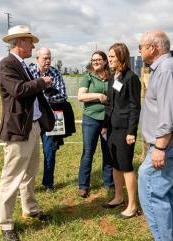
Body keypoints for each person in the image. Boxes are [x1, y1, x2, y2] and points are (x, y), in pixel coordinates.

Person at [0, 25, 55, 241]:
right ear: (19, 42)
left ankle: (30, 209)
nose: (33, 45)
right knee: (11, 177)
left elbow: (30, 90)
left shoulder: (22, 64)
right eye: (30, 41)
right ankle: (6, 224)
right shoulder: (7, 64)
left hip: (32, 126)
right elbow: (19, 90)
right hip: (18, 129)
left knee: (30, 173)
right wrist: (42, 82)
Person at [137, 30, 173, 241]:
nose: (139, 50)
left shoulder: (167, 69)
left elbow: (169, 113)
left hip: (169, 146)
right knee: (171, 194)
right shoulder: (164, 68)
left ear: (152, 48)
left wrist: (160, 147)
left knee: (150, 189)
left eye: (141, 46)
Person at [101, 43, 141, 219]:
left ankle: (132, 206)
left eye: (112, 57)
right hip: (111, 128)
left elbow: (135, 107)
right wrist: (104, 125)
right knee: (115, 164)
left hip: (125, 130)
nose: (109, 60)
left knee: (126, 166)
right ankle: (118, 197)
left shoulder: (131, 78)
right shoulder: (112, 78)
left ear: (121, 57)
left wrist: (132, 131)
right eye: (109, 56)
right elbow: (109, 104)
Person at [30, 47, 75, 192]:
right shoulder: (30, 72)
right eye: (45, 58)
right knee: (28, 153)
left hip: (50, 118)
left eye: (49, 58)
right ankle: (25, 185)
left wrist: (41, 94)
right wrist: (47, 91)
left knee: (50, 151)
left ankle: (48, 183)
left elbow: (62, 95)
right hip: (32, 119)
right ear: (37, 59)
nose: (48, 61)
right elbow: (26, 92)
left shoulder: (55, 72)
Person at [77, 51, 114, 198]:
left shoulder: (112, 77)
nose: (96, 62)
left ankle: (109, 182)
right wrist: (98, 96)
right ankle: (83, 185)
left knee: (108, 151)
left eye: (99, 59)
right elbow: (81, 96)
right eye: (93, 60)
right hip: (91, 119)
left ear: (105, 61)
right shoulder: (87, 77)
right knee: (88, 152)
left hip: (108, 120)